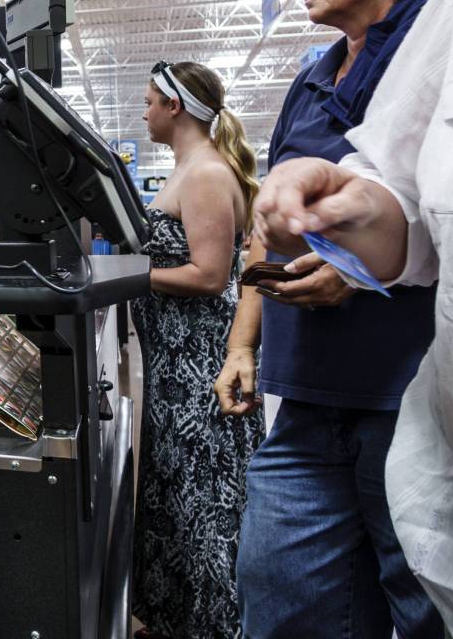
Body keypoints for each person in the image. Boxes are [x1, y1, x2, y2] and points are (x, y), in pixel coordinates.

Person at [215, 0, 453, 639]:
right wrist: (242, 342)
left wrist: (354, 265)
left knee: (422, 602)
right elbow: (267, 228)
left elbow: (431, 204)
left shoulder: (438, 54)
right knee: (280, 597)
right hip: (307, 390)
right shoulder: (313, 77)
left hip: (410, 392)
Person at [131, 61, 264, 639]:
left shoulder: (206, 174)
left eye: (151, 101)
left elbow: (210, 275)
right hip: (173, 369)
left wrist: (129, 276)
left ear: (176, 107)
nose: (144, 111)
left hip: (201, 366)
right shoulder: (188, 169)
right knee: (180, 504)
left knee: (206, 509)